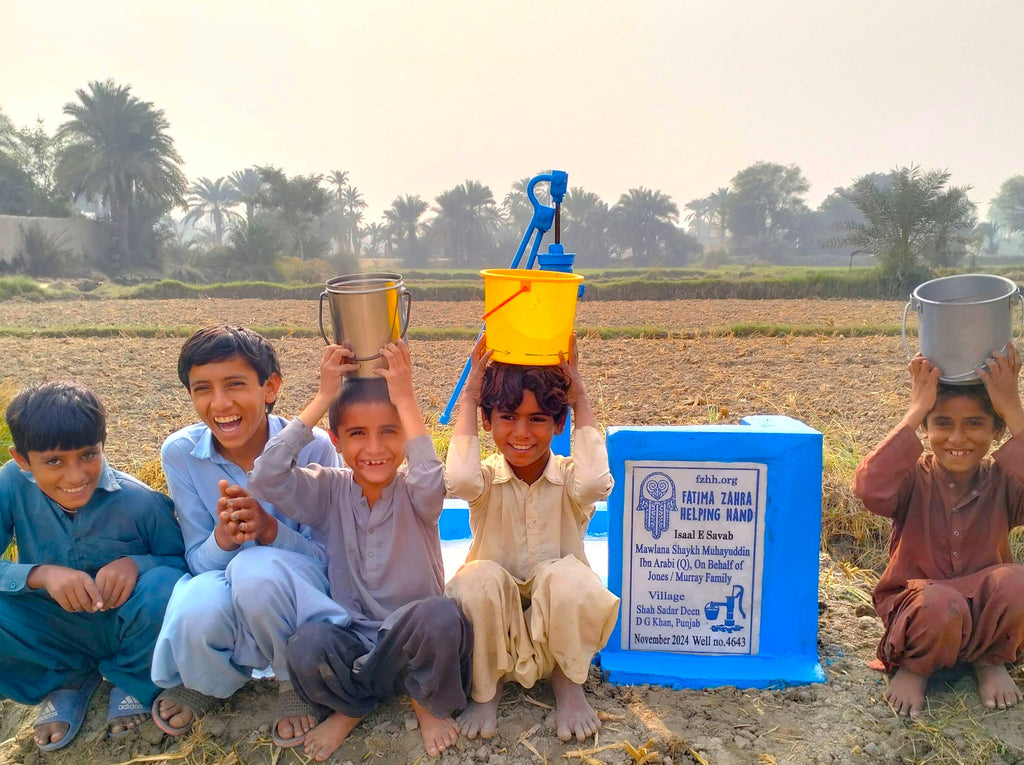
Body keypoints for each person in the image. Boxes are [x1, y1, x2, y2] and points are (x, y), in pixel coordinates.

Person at [247, 339, 471, 761]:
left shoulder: (415, 490)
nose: (373, 449)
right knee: (306, 645)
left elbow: (431, 479)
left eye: (390, 432)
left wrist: (405, 398)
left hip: (413, 642)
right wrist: (323, 397)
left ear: (405, 435)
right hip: (352, 646)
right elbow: (265, 477)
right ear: (335, 438)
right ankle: (354, 708)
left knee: (442, 615)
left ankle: (421, 703)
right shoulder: (327, 489)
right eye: (357, 434)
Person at [150, 325, 350, 739]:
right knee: (195, 601)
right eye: (202, 388)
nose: (220, 403)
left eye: (235, 384)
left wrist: (269, 529)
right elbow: (198, 562)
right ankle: (210, 682)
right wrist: (224, 538)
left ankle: (294, 680)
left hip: (296, 586)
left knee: (256, 571)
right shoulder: (182, 454)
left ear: (270, 387)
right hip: (230, 577)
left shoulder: (312, 447)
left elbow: (328, 556)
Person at [444, 334, 619, 742]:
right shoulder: (486, 479)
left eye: (538, 418)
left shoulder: (571, 480)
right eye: (507, 416)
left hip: (557, 634)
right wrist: (469, 398)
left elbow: (597, 482)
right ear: (488, 422)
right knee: (475, 578)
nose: (522, 432)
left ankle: (567, 684)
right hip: (496, 635)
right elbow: (459, 478)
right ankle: (487, 690)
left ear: (559, 425)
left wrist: (580, 400)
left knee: (568, 576)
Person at [0, 381, 186, 751]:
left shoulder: (142, 502)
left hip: (125, 630)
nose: (75, 476)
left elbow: (184, 566)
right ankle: (63, 678)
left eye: (88, 455)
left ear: (103, 445)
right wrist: (39, 575)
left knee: (165, 587)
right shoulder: (10, 484)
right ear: (22, 460)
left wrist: (138, 564)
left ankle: (131, 678)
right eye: (54, 462)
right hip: (52, 628)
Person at [853, 345, 1024, 719]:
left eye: (975, 423)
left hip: (984, 613)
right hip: (921, 612)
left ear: (996, 431)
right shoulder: (913, 479)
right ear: (927, 428)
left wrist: (1013, 409)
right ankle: (916, 668)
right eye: (942, 422)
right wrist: (915, 410)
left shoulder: (1005, 482)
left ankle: (990, 660)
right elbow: (869, 488)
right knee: (939, 603)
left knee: (1018, 582)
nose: (957, 438)